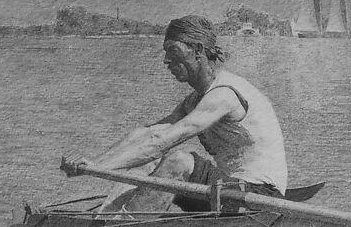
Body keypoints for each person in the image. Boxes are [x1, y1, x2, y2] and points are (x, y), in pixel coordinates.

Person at [60, 14, 288, 215]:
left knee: (178, 161)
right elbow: (149, 134)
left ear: (198, 50)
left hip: (259, 197)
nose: (166, 60)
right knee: (144, 164)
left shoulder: (224, 95)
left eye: (174, 50)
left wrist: (100, 169)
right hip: (225, 191)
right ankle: (101, 225)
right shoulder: (194, 101)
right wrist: (94, 164)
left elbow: (161, 142)